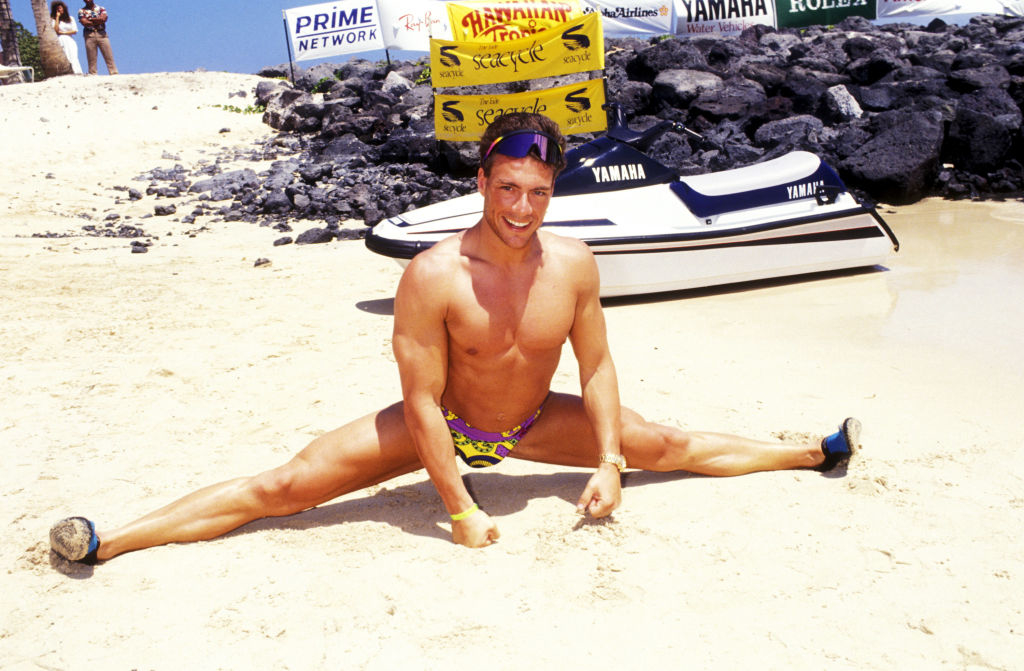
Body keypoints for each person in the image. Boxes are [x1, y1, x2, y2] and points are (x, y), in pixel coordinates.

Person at [49, 112, 860, 564]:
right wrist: (461, 507)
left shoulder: (574, 265)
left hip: (535, 417)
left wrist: (610, 458)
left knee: (668, 444)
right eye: (508, 188)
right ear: (481, 181)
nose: (521, 207)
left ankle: (812, 453)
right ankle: (110, 540)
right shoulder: (433, 275)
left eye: (538, 192)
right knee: (286, 486)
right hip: (445, 422)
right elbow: (421, 398)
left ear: (552, 191)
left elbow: (601, 364)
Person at [77, 0, 116, 75]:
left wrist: (91, 19)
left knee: (109, 55)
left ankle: (114, 73)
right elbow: (85, 23)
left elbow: (103, 19)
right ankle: (93, 74)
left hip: (102, 34)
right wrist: (98, 20)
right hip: (89, 35)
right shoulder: (81, 11)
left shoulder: (101, 8)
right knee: (91, 58)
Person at [51, 2, 83, 75]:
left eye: (60, 8)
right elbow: (56, 30)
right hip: (60, 40)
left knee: (73, 56)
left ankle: (77, 72)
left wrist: (63, 33)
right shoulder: (54, 20)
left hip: (69, 39)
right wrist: (57, 18)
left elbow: (75, 30)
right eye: (57, 9)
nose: (59, 10)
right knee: (65, 56)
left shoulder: (70, 18)